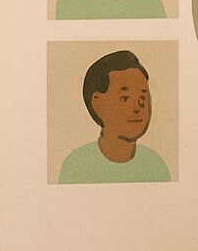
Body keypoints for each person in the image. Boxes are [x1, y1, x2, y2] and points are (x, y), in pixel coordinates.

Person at [59, 49, 171, 184]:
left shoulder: (156, 166)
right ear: (98, 104)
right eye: (124, 98)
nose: (136, 108)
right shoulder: (75, 167)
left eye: (142, 97)